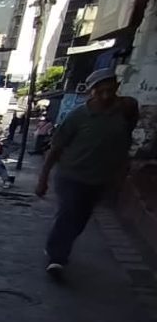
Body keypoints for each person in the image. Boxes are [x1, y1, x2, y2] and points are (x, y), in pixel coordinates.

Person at [35, 68, 139, 279]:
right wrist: (43, 179)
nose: (105, 96)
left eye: (110, 91)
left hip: (99, 178)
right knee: (68, 213)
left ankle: (58, 248)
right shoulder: (78, 116)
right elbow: (56, 149)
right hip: (70, 174)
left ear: (117, 88)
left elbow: (126, 138)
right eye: (100, 92)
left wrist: (119, 174)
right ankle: (57, 256)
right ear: (91, 91)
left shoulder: (124, 112)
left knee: (81, 218)